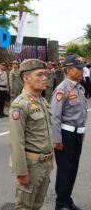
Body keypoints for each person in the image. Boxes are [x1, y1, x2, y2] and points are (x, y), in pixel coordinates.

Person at [9, 59, 54, 210]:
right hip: (31, 166)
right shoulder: (20, 104)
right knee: (24, 207)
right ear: (26, 78)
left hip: (44, 163)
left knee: (37, 205)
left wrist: (50, 159)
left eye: (45, 75)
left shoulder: (41, 100)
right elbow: (17, 141)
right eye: (40, 75)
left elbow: (46, 133)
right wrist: (21, 171)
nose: (44, 78)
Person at [51, 55, 88, 210]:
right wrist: (57, 139)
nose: (82, 71)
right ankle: (61, 204)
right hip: (65, 136)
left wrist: (82, 130)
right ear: (69, 69)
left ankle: (67, 199)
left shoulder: (79, 87)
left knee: (73, 169)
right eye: (79, 68)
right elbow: (55, 116)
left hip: (77, 134)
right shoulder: (62, 89)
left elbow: (81, 112)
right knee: (65, 170)